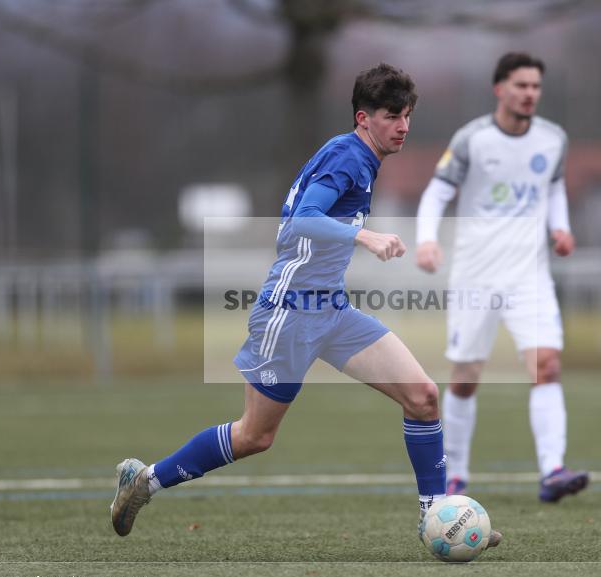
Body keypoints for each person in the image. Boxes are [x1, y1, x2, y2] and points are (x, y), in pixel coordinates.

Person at [110, 63, 501, 547]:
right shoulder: (348, 157)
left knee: (422, 397)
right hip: (289, 314)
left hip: (332, 311)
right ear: (363, 118)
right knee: (255, 436)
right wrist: (365, 235)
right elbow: (302, 221)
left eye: (407, 115)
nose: (402, 126)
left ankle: (434, 516)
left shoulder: (360, 157)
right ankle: (144, 480)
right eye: (391, 116)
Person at [415, 52, 589, 503]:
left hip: (529, 275)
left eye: (536, 86)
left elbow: (553, 187)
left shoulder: (553, 139)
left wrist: (560, 227)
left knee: (546, 364)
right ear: (500, 89)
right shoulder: (472, 139)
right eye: (521, 85)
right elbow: (436, 193)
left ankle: (552, 470)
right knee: (466, 377)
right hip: (475, 275)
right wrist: (427, 240)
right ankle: (455, 475)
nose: (530, 94)